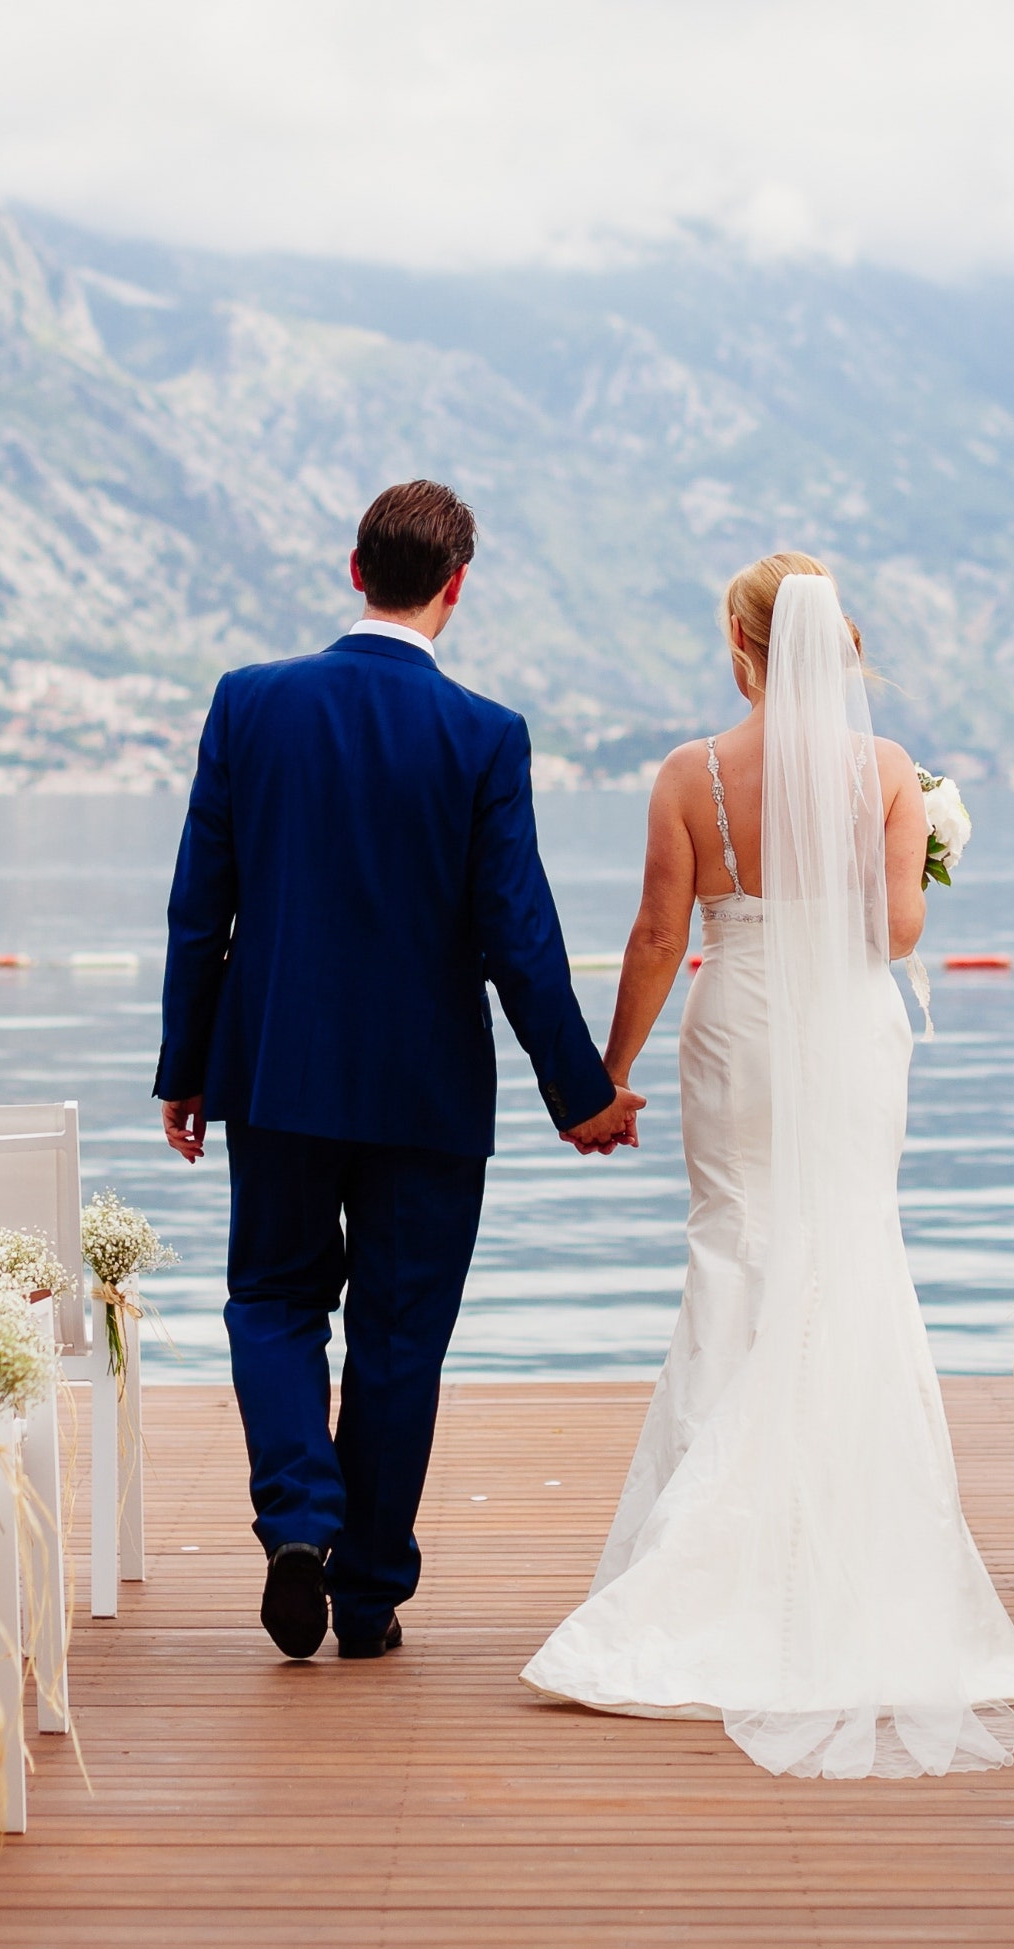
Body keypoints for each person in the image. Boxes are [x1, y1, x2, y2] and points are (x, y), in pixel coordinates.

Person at [518, 551, 1014, 1777]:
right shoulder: (882, 773)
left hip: (736, 1028)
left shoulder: (688, 774)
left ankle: (700, 1561)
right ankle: (849, 1562)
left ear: (740, 643)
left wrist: (604, 1077)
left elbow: (660, 933)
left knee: (734, 1251)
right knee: (849, 1251)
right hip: (845, 1030)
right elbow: (900, 927)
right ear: (843, 646)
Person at [153, 480, 647, 1663]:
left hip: (272, 1072)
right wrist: (581, 1094)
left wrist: (187, 1064)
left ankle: (296, 1523)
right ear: (455, 588)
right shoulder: (483, 734)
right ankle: (366, 1592)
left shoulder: (249, 704)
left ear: (353, 569)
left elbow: (196, 910)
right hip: (426, 1092)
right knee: (397, 1336)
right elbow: (516, 934)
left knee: (271, 1302)